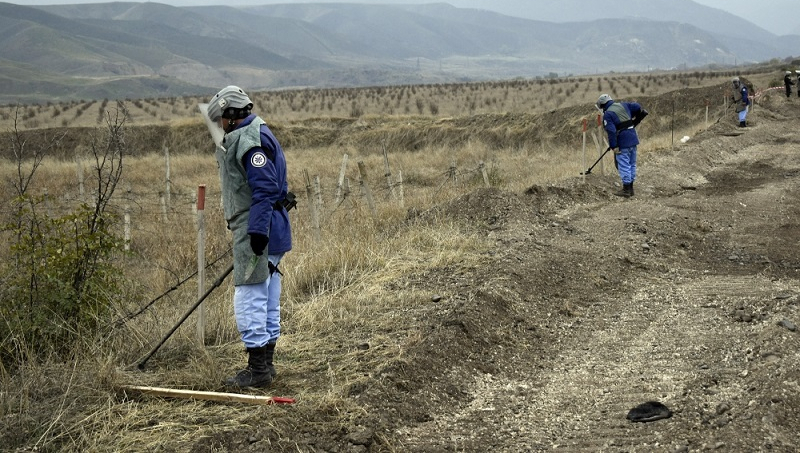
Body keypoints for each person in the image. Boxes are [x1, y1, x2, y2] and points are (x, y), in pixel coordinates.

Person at [206, 85, 293, 388]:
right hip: (270, 225)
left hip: (259, 228)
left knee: (250, 296)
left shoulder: (249, 140)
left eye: (220, 119)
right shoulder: (258, 131)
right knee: (267, 296)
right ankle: (265, 365)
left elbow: (265, 187)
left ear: (231, 114)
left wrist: (256, 231)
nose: (219, 125)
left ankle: (257, 370)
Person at [596, 94, 648, 198]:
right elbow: (637, 106)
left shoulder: (608, 114)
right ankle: (631, 188)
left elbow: (611, 131)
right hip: (633, 139)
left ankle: (626, 190)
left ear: (603, 105)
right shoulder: (624, 105)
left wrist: (614, 146)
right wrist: (633, 116)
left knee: (624, 165)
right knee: (632, 164)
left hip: (622, 142)